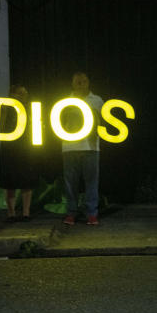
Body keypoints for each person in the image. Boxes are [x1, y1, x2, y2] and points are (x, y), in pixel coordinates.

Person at [61, 72, 105, 226]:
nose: (81, 84)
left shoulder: (97, 100)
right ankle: (71, 213)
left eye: (83, 81)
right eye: (77, 82)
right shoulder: (65, 101)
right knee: (70, 183)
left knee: (91, 182)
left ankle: (92, 214)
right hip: (69, 146)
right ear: (72, 84)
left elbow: (104, 122)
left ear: (89, 83)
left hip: (91, 146)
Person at [0, 84, 38, 222]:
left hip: (26, 147)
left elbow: (35, 126)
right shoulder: (5, 107)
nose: (23, 96)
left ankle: (26, 212)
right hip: (9, 147)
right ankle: (11, 213)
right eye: (20, 93)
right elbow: (0, 126)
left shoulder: (30, 108)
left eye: (25, 93)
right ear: (12, 94)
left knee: (27, 180)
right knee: (10, 182)